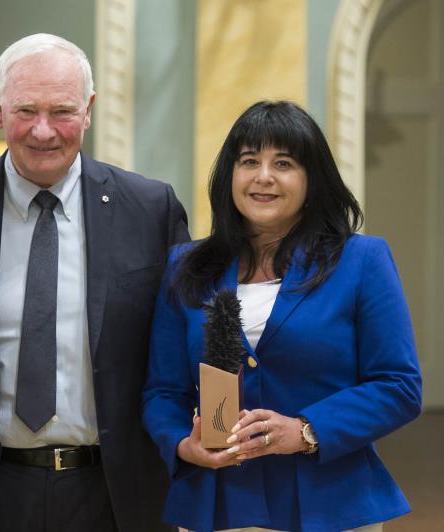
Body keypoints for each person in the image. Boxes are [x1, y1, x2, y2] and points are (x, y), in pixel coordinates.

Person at [0, 33, 190, 532]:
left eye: (63, 111)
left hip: (116, 495)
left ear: (89, 110)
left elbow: (178, 347)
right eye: (26, 109)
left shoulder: (150, 209)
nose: (44, 131)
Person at [142, 100, 422, 532]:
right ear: (230, 176)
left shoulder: (361, 259)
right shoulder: (187, 265)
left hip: (332, 504)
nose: (263, 177)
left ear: (312, 180)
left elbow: (399, 386)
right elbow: (163, 390)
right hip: (217, 504)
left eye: (284, 163)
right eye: (249, 161)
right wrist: (182, 443)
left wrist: (306, 429)